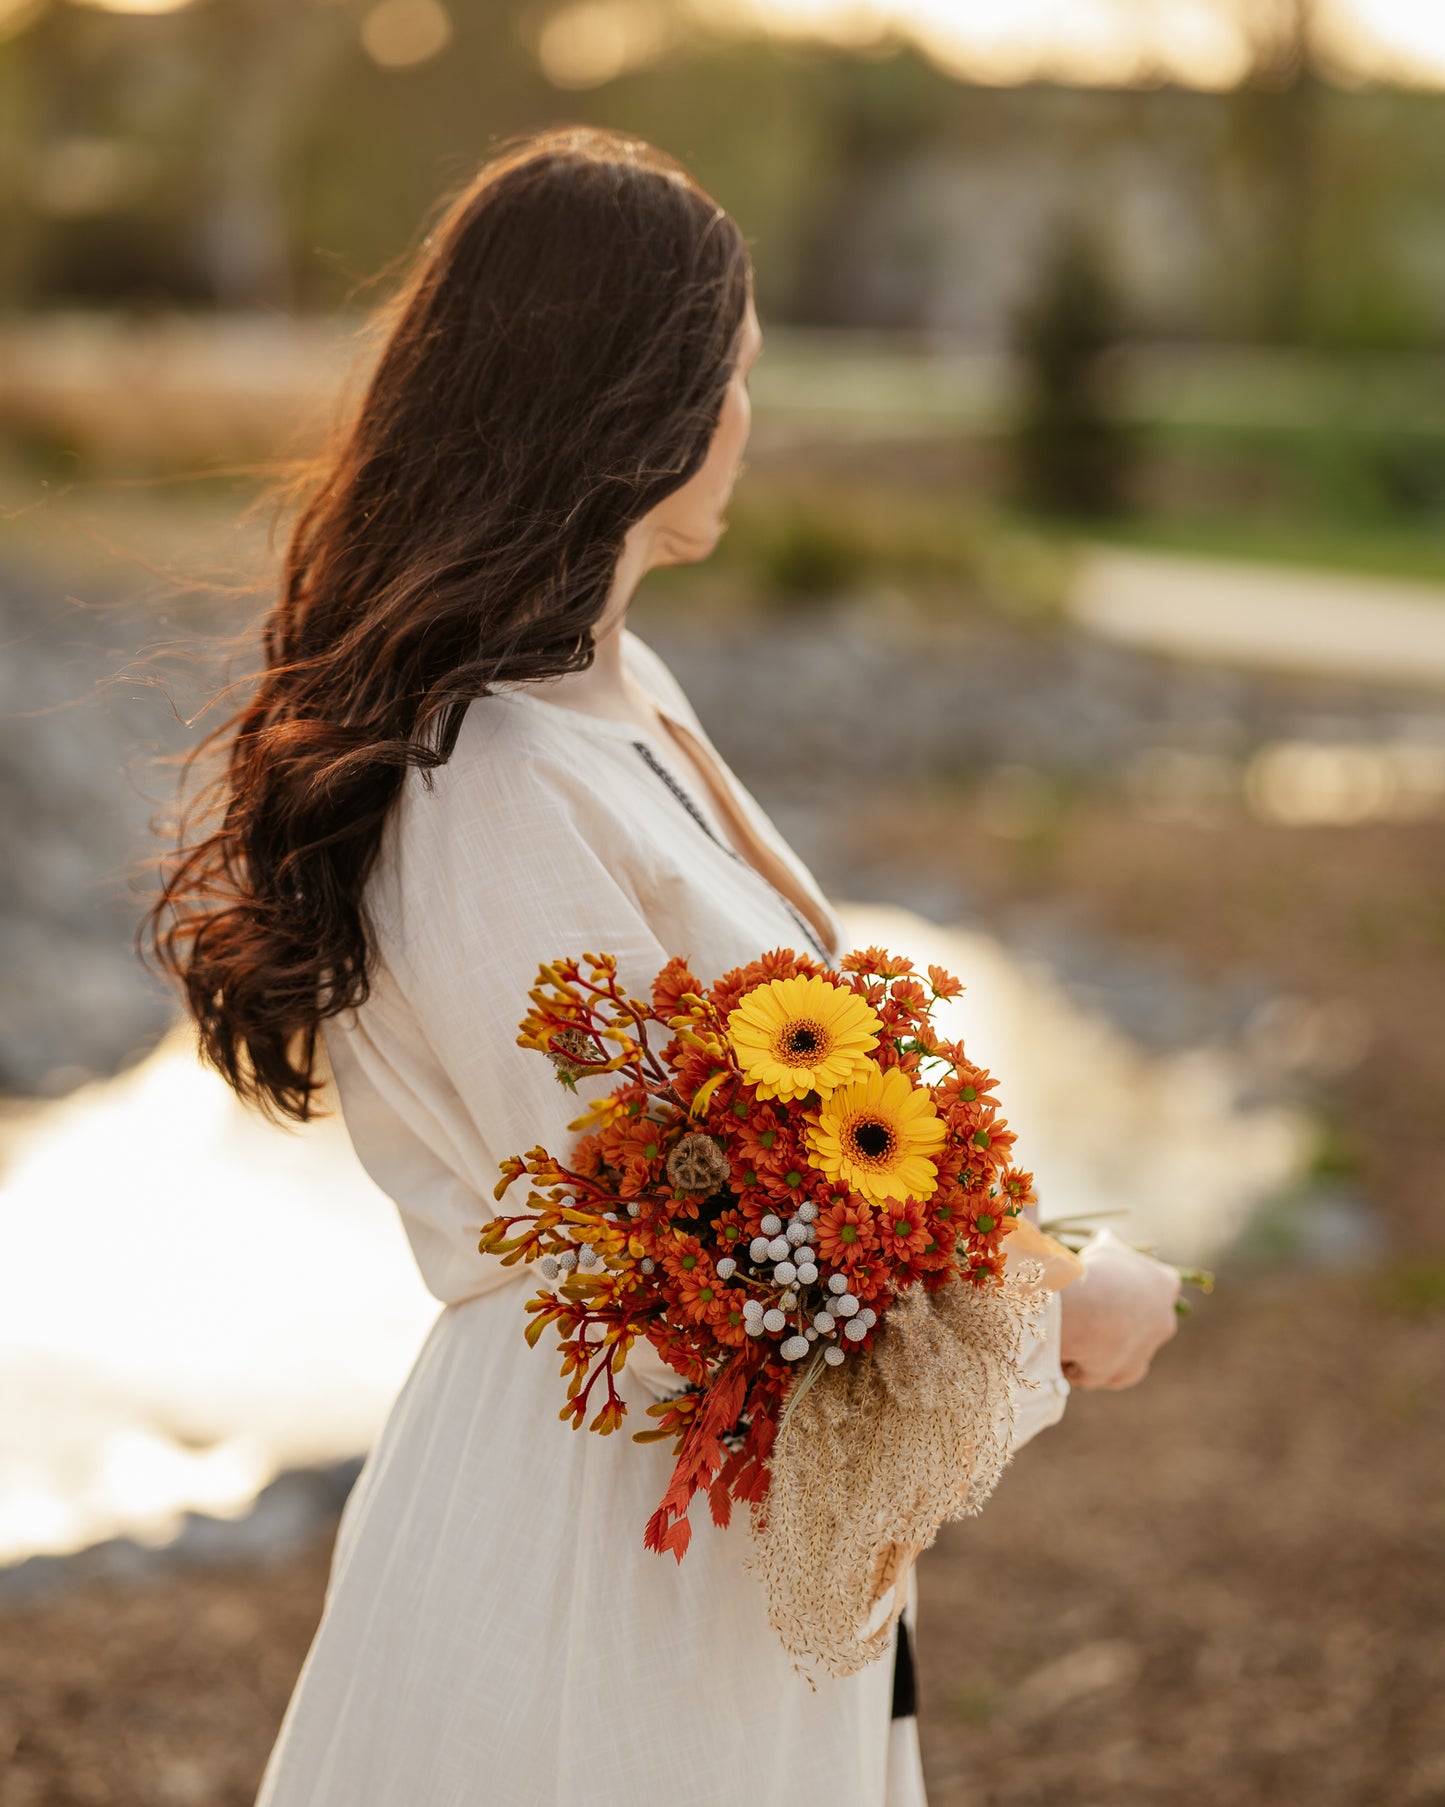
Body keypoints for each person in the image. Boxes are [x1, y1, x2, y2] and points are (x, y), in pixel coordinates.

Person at [147, 127, 1180, 1807]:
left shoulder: (620, 697)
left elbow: (768, 1116)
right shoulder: (483, 771)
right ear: (629, 392)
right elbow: (661, 1213)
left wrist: (999, 1247)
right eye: (735, 371)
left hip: (723, 1503)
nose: (749, 420)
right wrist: (1059, 1289)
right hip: (590, 1520)